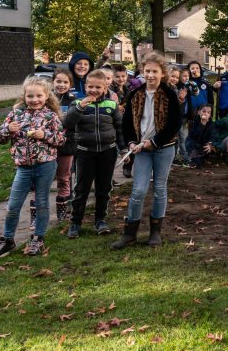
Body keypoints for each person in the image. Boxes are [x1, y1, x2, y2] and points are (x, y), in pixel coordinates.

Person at [0, 76, 66, 259]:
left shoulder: (50, 116)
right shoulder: (15, 114)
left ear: (46, 96)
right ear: (24, 96)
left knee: (42, 203)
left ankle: (38, 238)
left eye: (39, 95)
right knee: (13, 205)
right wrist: (8, 130)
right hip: (23, 167)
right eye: (30, 96)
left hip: (45, 165)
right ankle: (7, 239)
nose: (35, 100)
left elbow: (61, 140)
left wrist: (44, 135)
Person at [113, 51, 182, 250]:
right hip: (141, 149)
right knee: (139, 190)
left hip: (164, 148)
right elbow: (126, 123)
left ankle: (155, 232)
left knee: (159, 189)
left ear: (162, 73)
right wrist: (131, 143)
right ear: (142, 72)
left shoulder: (169, 93)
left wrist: (155, 142)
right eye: (147, 71)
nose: (150, 75)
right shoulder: (136, 93)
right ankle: (130, 234)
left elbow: (174, 124)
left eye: (154, 71)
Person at [63, 70, 125, 239]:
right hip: (84, 152)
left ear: (105, 88)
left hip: (108, 151)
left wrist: (124, 148)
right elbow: (67, 123)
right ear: (85, 86)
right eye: (90, 86)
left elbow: (119, 128)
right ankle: (75, 223)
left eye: (98, 87)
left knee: (103, 188)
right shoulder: (77, 104)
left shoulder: (111, 106)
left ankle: (100, 221)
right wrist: (80, 107)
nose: (94, 90)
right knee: (81, 189)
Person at [50, 68, 77, 223]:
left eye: (65, 82)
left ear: (70, 84)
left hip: (66, 144)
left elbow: (71, 122)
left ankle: (64, 209)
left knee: (64, 177)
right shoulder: (45, 99)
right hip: (48, 144)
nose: (61, 84)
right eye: (58, 81)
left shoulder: (73, 100)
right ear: (53, 82)